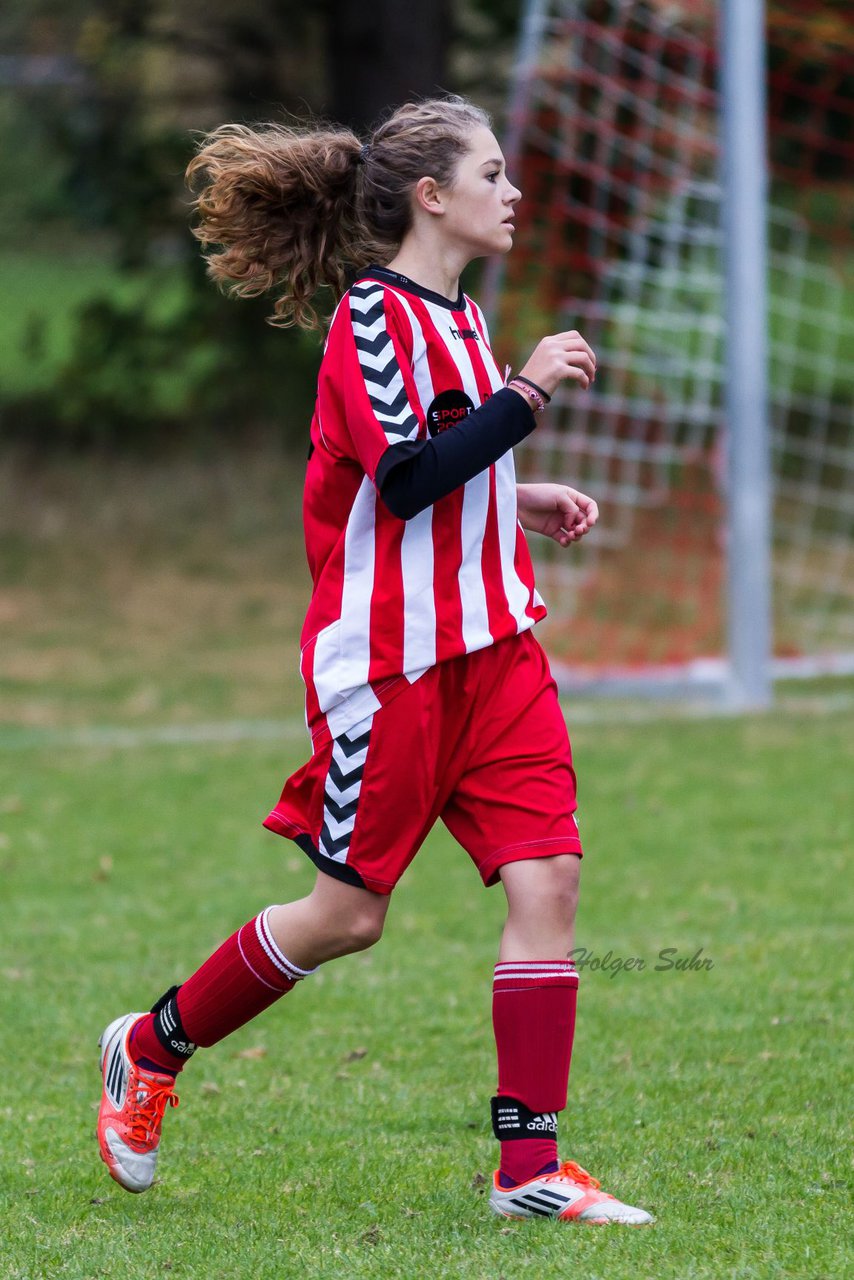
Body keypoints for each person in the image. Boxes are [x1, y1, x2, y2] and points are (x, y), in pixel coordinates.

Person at [96, 94, 652, 1226]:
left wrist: (515, 495)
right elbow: (401, 477)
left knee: (549, 877)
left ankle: (528, 1167)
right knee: (348, 914)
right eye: (491, 173)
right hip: (391, 664)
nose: (512, 191)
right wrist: (529, 391)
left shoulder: (457, 320)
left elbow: (446, 465)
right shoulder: (371, 320)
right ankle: (149, 1045)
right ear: (430, 196)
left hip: (495, 647)